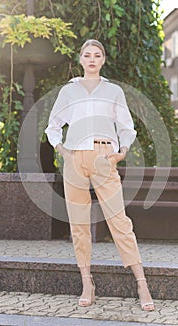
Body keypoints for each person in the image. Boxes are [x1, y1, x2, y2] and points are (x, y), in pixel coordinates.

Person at [45, 39, 154, 311]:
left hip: (105, 158)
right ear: (80, 59)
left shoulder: (113, 90)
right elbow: (53, 126)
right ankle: (87, 282)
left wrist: (122, 152)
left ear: (103, 60)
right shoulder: (68, 91)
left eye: (97, 55)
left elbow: (127, 127)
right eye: (87, 55)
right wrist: (63, 151)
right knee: (79, 224)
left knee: (119, 220)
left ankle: (141, 282)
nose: (92, 59)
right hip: (75, 159)